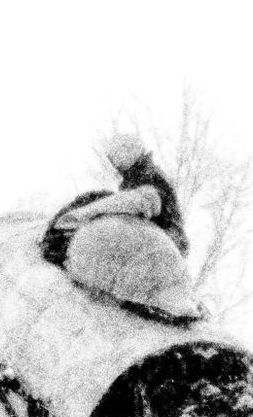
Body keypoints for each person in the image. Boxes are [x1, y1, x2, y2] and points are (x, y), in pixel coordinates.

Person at [40, 136, 203, 323]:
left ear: (126, 154)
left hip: (164, 247)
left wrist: (84, 213)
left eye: (115, 159)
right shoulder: (140, 176)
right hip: (159, 247)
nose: (115, 166)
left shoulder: (149, 177)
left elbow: (138, 201)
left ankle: (172, 303)